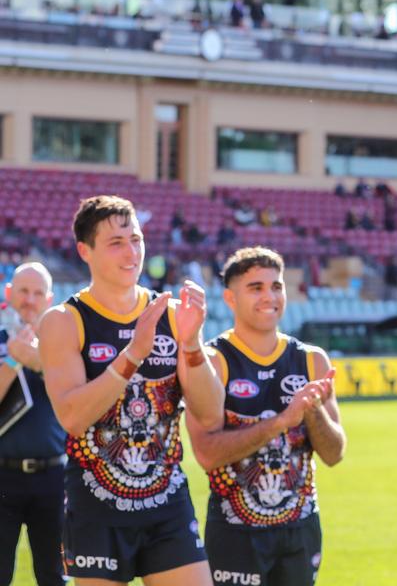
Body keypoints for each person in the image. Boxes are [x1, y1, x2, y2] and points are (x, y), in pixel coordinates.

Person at [39, 195, 225, 585]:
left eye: (137, 239)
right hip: (95, 506)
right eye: (116, 243)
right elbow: (72, 418)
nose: (132, 252)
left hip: (166, 504)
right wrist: (134, 353)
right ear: (84, 251)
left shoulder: (173, 315)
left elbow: (210, 415)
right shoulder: (64, 321)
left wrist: (191, 346)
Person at [189, 247, 346, 586]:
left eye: (276, 286)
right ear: (230, 299)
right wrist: (280, 422)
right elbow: (206, 454)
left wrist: (313, 411)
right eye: (256, 287)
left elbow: (334, 454)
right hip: (235, 531)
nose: (269, 296)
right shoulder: (214, 362)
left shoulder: (312, 360)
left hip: (300, 530)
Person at [0, 262, 64, 586]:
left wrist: (37, 360)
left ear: (49, 299)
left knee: (54, 575)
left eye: (38, 293)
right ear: (9, 293)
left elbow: (75, 392)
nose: (30, 299)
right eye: (23, 291)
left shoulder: (63, 343)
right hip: (2, 475)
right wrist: (13, 360)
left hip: (53, 477)